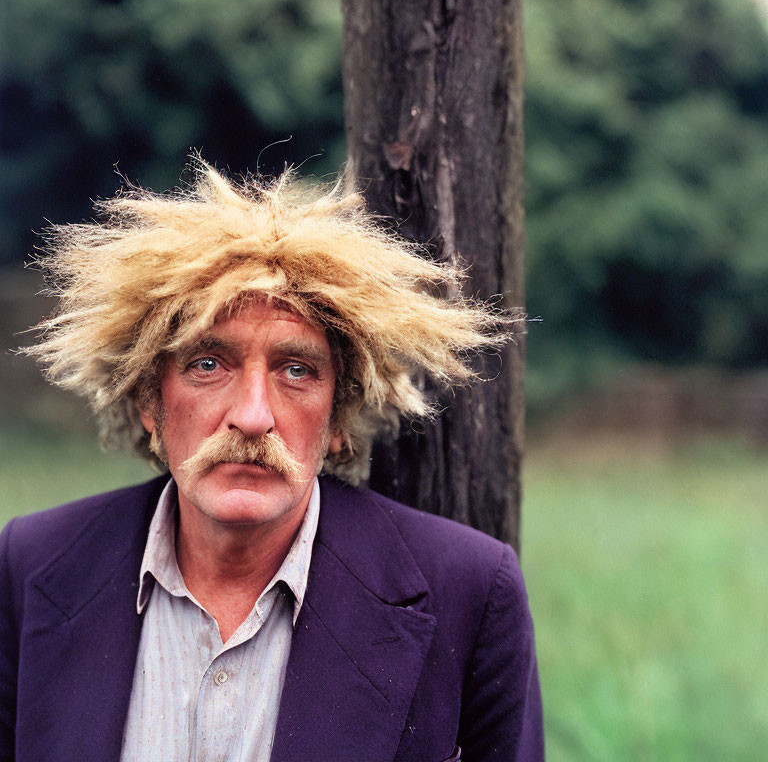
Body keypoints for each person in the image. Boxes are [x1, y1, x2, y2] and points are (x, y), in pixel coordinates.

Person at [0, 161, 544, 761]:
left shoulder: (468, 591)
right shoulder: (30, 567)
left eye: (296, 370)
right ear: (149, 401)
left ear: (338, 417)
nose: (253, 415)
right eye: (208, 363)